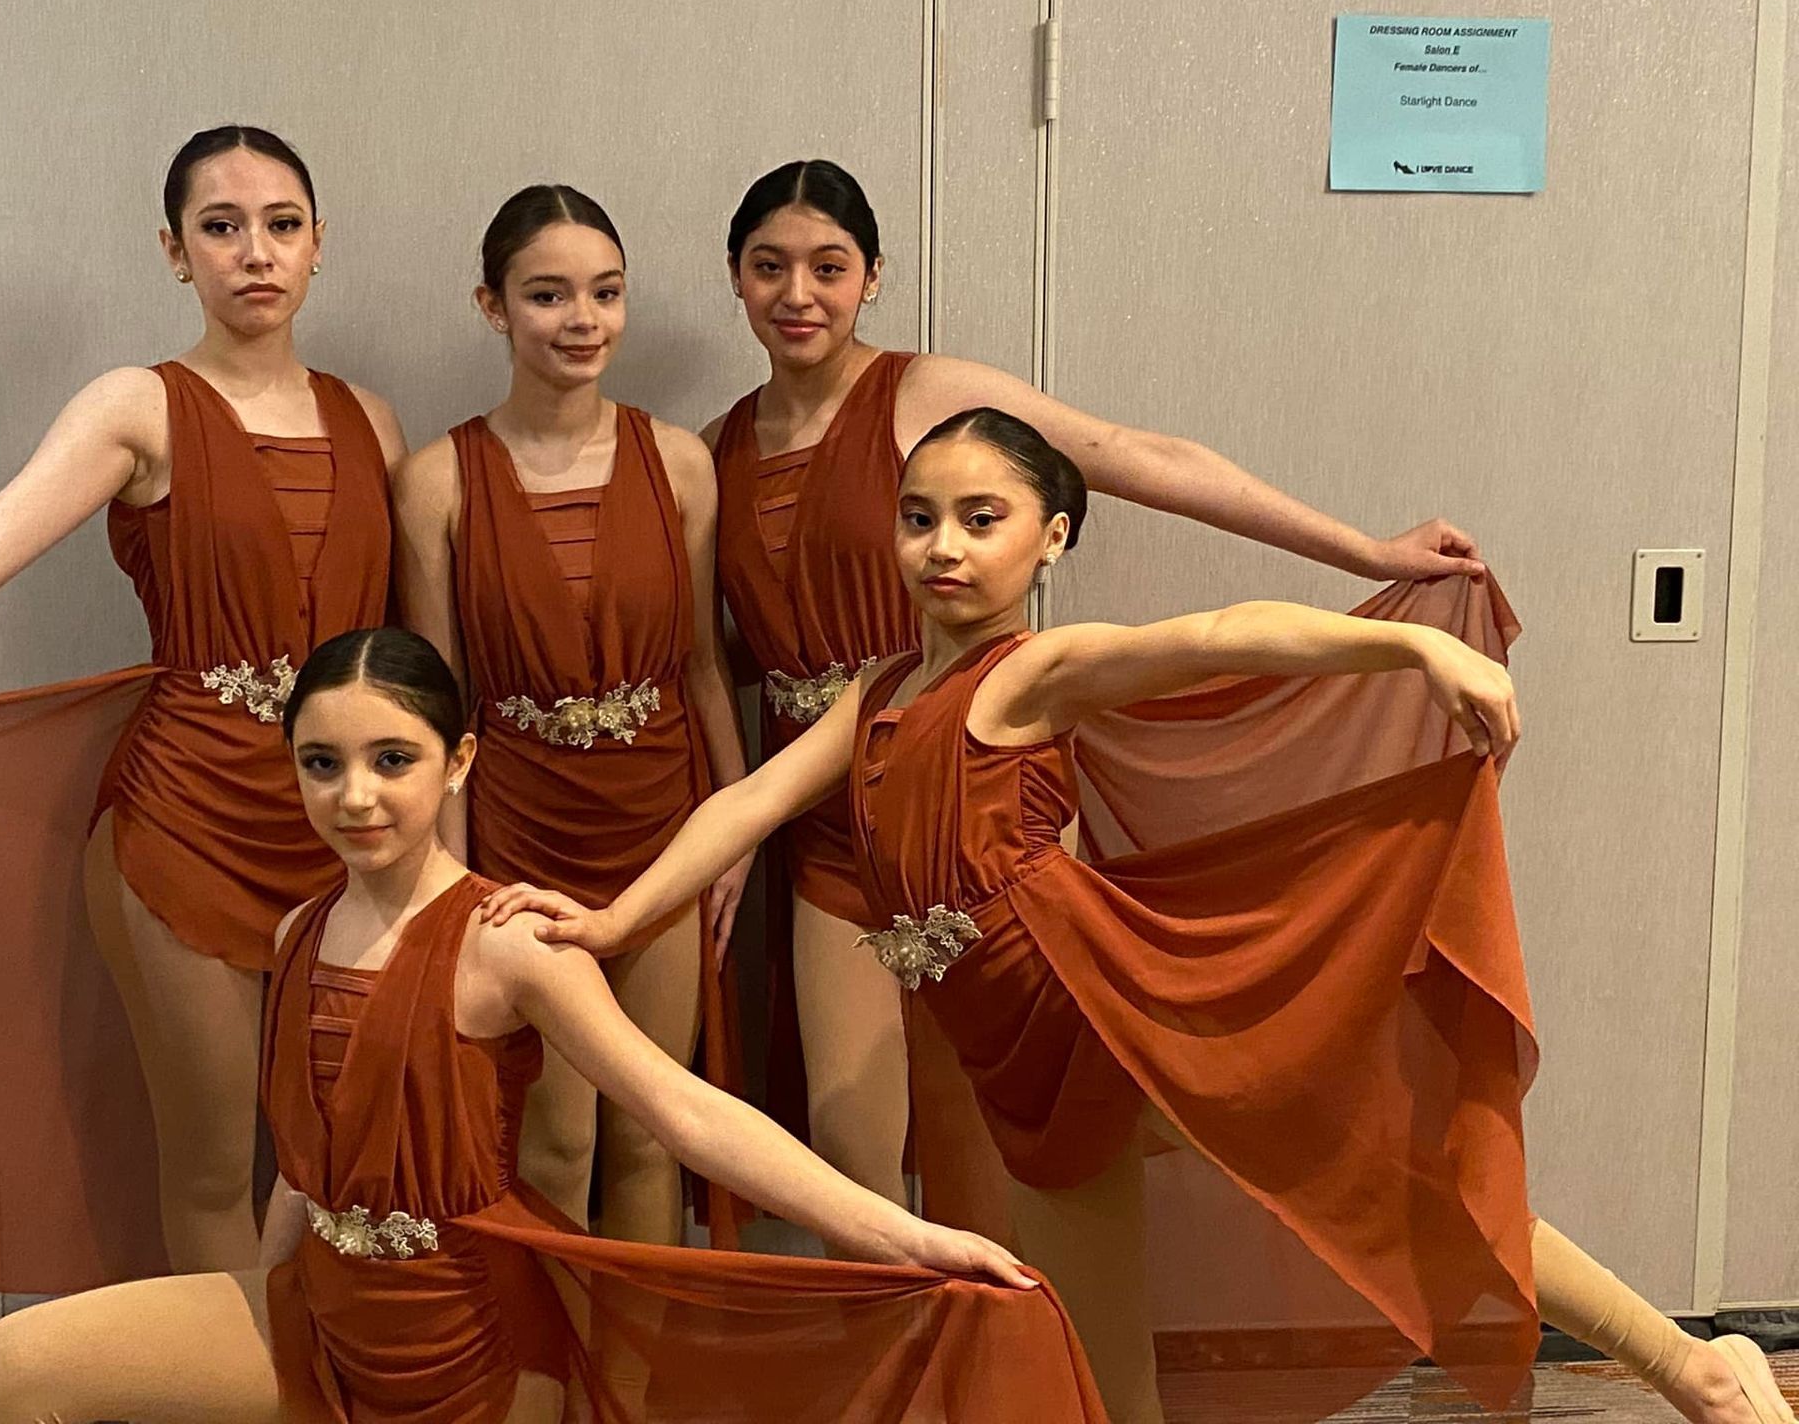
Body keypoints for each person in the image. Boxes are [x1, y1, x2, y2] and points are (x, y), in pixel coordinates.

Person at [493, 409, 1795, 1424]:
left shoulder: (1038, 671)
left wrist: (1412, 649)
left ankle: (1693, 1368)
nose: (945, 546)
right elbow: (748, 804)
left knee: (1392, 1186)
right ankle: (1696, 1370)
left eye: (982, 518)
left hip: (1108, 1004)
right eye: (920, 518)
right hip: (1023, 1065)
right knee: (1104, 1373)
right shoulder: (881, 692)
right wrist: (615, 923)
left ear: (1050, 539)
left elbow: (1226, 632)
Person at [0, 626, 1106, 1424]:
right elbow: (306, 1168)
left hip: (471, 1344)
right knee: (12, 1370)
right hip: (323, 1316)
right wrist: (273, 1301)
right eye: (322, 764)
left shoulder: (503, 942)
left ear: (457, 764)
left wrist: (907, 1237)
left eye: (391, 760)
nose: (355, 797)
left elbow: (683, 1109)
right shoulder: (303, 923)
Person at [706, 157, 1489, 1218]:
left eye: (828, 267)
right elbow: (701, 657)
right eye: (770, 268)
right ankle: (923, 1371)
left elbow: (1135, 456)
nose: (798, 295)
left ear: (872, 277)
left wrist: (1361, 552)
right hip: (834, 815)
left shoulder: (927, 396)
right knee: (856, 1158)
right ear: (737, 278)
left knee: (1019, 1145)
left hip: (971, 789)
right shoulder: (717, 447)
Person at [0, 124, 404, 1279]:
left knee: (344, 1159)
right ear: (176, 253)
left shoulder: (372, 420)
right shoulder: (139, 407)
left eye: (280, 225)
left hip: (353, 831)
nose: (253, 253)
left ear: (320, 245)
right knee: (215, 1167)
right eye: (221, 228)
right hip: (188, 822)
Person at [394, 185, 748, 1249]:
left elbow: (700, 665)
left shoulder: (681, 462)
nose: (582, 320)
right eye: (548, 295)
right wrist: (443, 883)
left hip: (663, 822)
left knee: (651, 1133)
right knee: (555, 1143)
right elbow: (441, 706)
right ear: (492, 306)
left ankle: (634, 1393)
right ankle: (549, 1386)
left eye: (605, 292)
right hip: (515, 828)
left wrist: (733, 831)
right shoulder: (434, 479)